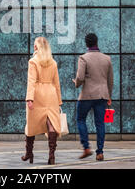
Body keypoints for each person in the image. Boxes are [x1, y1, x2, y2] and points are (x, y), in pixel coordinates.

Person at [72, 33, 113, 161]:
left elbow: (80, 77)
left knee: (80, 119)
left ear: (86, 44)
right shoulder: (107, 58)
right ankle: (100, 152)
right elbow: (110, 80)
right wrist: (109, 96)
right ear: (97, 42)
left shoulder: (83, 58)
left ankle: (86, 147)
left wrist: (76, 83)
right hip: (102, 95)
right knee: (100, 124)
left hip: (87, 95)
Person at [21, 37, 62, 165]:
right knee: (51, 124)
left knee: (31, 124)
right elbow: (57, 83)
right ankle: (52, 155)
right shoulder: (53, 62)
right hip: (51, 94)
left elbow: (31, 81)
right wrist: (59, 100)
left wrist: (29, 98)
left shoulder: (33, 61)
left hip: (38, 95)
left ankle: (29, 153)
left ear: (36, 47)